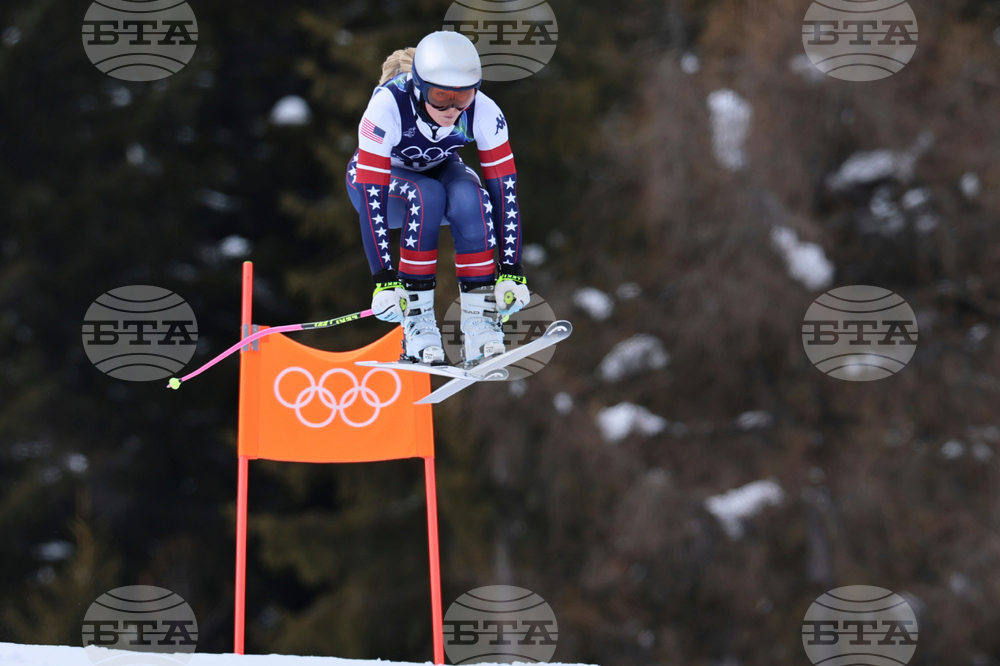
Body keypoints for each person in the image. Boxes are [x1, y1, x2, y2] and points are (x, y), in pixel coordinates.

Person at [345, 31, 530, 365]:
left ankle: (480, 321)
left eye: (463, 97)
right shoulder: (387, 107)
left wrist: (511, 271)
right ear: (418, 87)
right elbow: (373, 195)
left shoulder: (483, 111)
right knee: (426, 193)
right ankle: (418, 323)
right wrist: (384, 281)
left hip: (439, 170)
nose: (452, 108)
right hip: (382, 190)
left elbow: (505, 191)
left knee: (469, 195)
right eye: (441, 96)